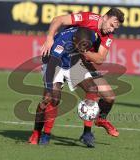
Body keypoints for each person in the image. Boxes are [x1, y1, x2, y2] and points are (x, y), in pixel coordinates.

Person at [29, 8, 125, 147]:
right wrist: (49, 38)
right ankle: (39, 132)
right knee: (50, 99)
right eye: (111, 25)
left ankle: (93, 126)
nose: (111, 30)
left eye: (115, 28)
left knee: (106, 95)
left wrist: (84, 52)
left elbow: (99, 59)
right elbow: (58, 20)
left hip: (77, 61)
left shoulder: (102, 35)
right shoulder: (87, 19)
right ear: (104, 17)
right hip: (56, 60)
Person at [29, 26, 100, 147]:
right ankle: (42, 134)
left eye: (86, 46)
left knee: (92, 88)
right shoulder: (61, 43)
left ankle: (87, 133)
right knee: (52, 99)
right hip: (54, 64)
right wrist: (50, 88)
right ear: (74, 39)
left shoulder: (91, 36)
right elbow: (51, 66)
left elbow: (96, 47)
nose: (84, 49)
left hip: (73, 63)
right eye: (82, 46)